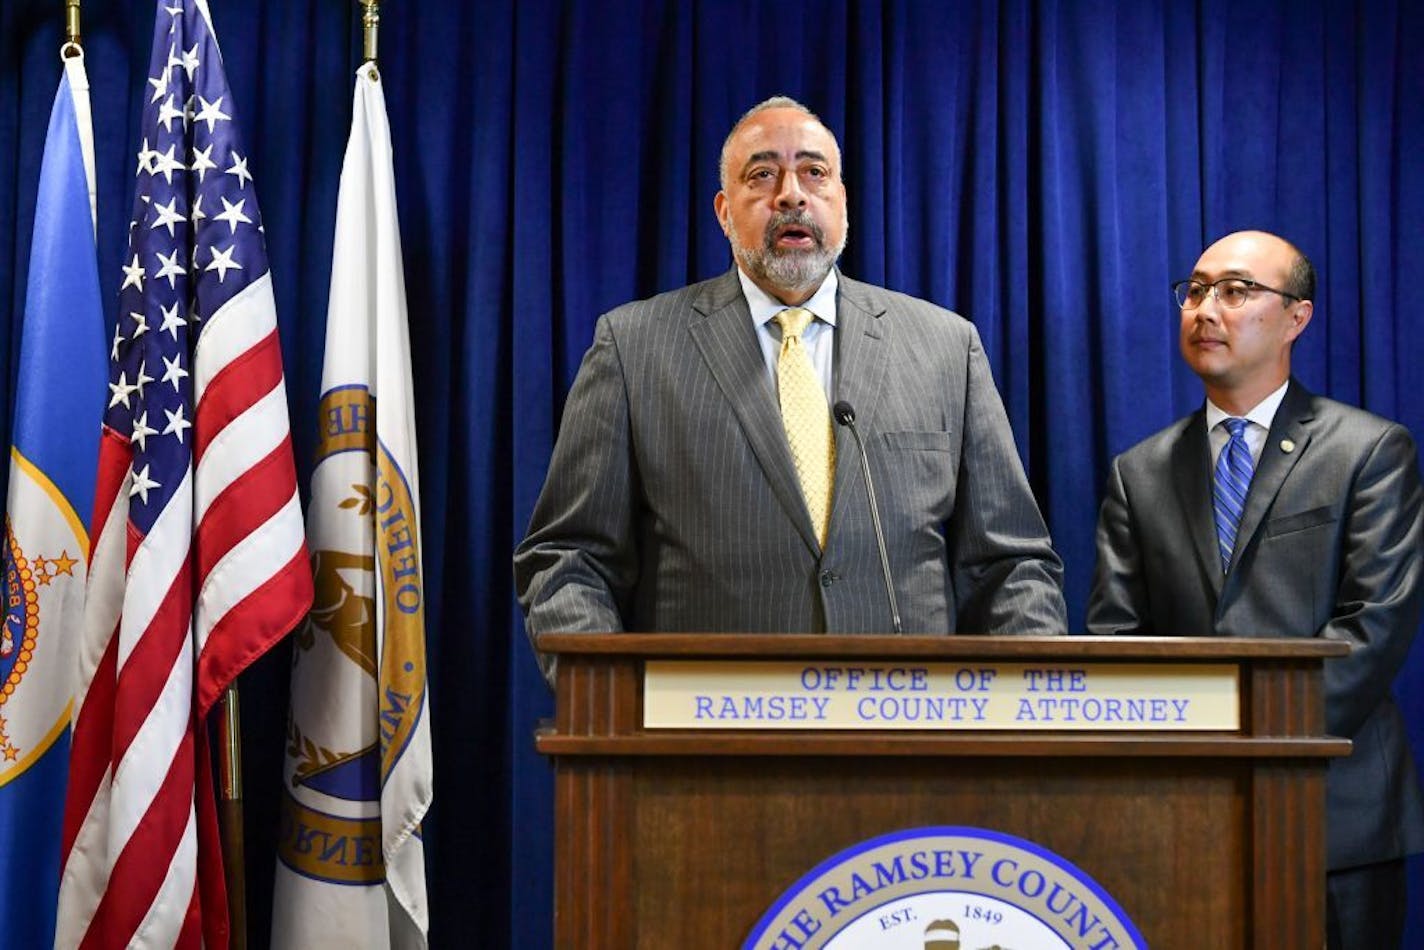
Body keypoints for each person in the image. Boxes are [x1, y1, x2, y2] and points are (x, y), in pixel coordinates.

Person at [515, 96, 1066, 664]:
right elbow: (568, 558)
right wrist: (614, 699)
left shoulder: (946, 346)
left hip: (903, 731)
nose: (792, 194)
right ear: (725, 213)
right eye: (762, 175)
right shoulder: (634, 347)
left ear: (843, 204)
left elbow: (1011, 566)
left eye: (814, 172)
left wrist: (1025, 716)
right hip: (706, 736)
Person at [1086, 229, 1424, 949]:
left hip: (1338, 821)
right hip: (1183, 815)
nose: (1207, 309)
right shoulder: (1138, 472)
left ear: (1296, 316)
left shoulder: (1368, 450)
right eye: (1196, 290)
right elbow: (1117, 640)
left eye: (1237, 291)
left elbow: (1375, 628)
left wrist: (1244, 741)